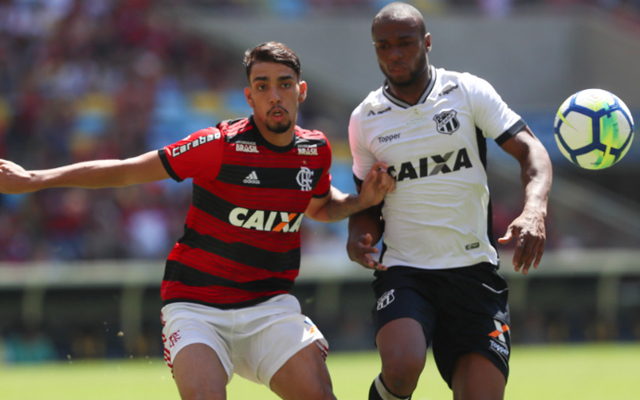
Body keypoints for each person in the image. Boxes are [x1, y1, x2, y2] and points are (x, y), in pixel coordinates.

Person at [0, 42, 395, 400]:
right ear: (249, 96)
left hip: (269, 306)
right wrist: (36, 179)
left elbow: (320, 207)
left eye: (284, 84)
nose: (274, 95)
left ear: (301, 90)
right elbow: (125, 171)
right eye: (262, 86)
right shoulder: (217, 146)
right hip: (196, 305)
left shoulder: (316, 150)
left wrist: (363, 200)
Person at [346, 3, 553, 400]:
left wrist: (534, 210)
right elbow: (366, 205)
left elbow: (532, 152)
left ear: (426, 42)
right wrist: (360, 237)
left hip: (473, 272)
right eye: (383, 46)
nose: (394, 54)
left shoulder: (466, 91)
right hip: (406, 271)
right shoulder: (366, 118)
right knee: (403, 366)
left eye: (404, 43)